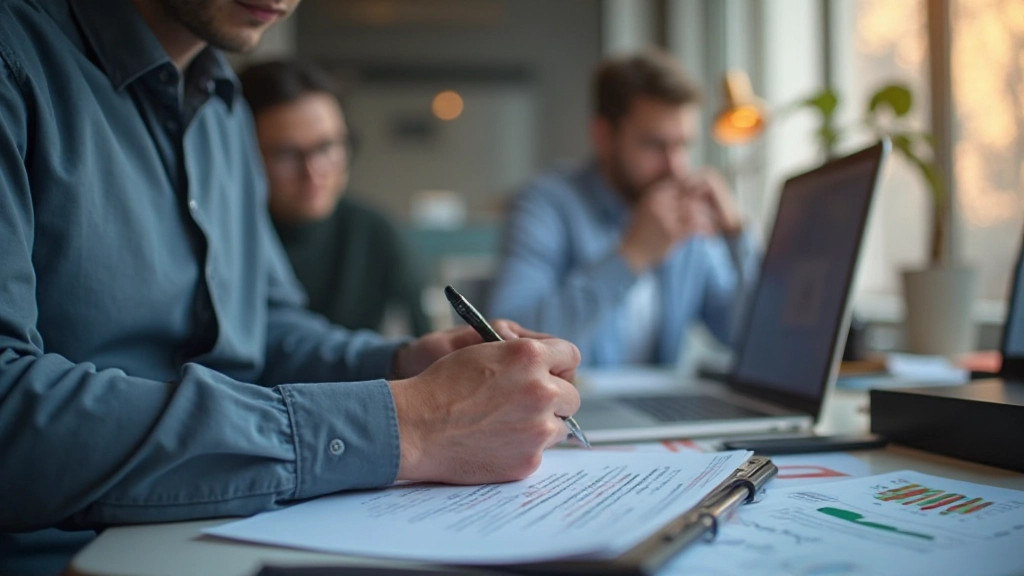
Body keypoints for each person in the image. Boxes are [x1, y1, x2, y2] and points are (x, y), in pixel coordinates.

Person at [0, 0, 580, 573]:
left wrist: (400, 362)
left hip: (232, 526)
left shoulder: (222, 105)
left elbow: (265, 329)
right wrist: (406, 423)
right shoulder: (16, 60)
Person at [489, 50, 759, 367]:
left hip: (662, 409)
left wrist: (736, 235)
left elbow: (742, 334)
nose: (676, 168)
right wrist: (631, 257)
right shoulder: (545, 204)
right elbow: (507, 343)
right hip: (567, 411)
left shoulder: (686, 217)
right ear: (603, 135)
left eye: (684, 145)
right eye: (654, 145)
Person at [239, 60, 431, 336]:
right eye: (286, 154)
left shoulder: (374, 232)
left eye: (327, 147)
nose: (313, 172)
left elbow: (421, 340)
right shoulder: (228, 240)